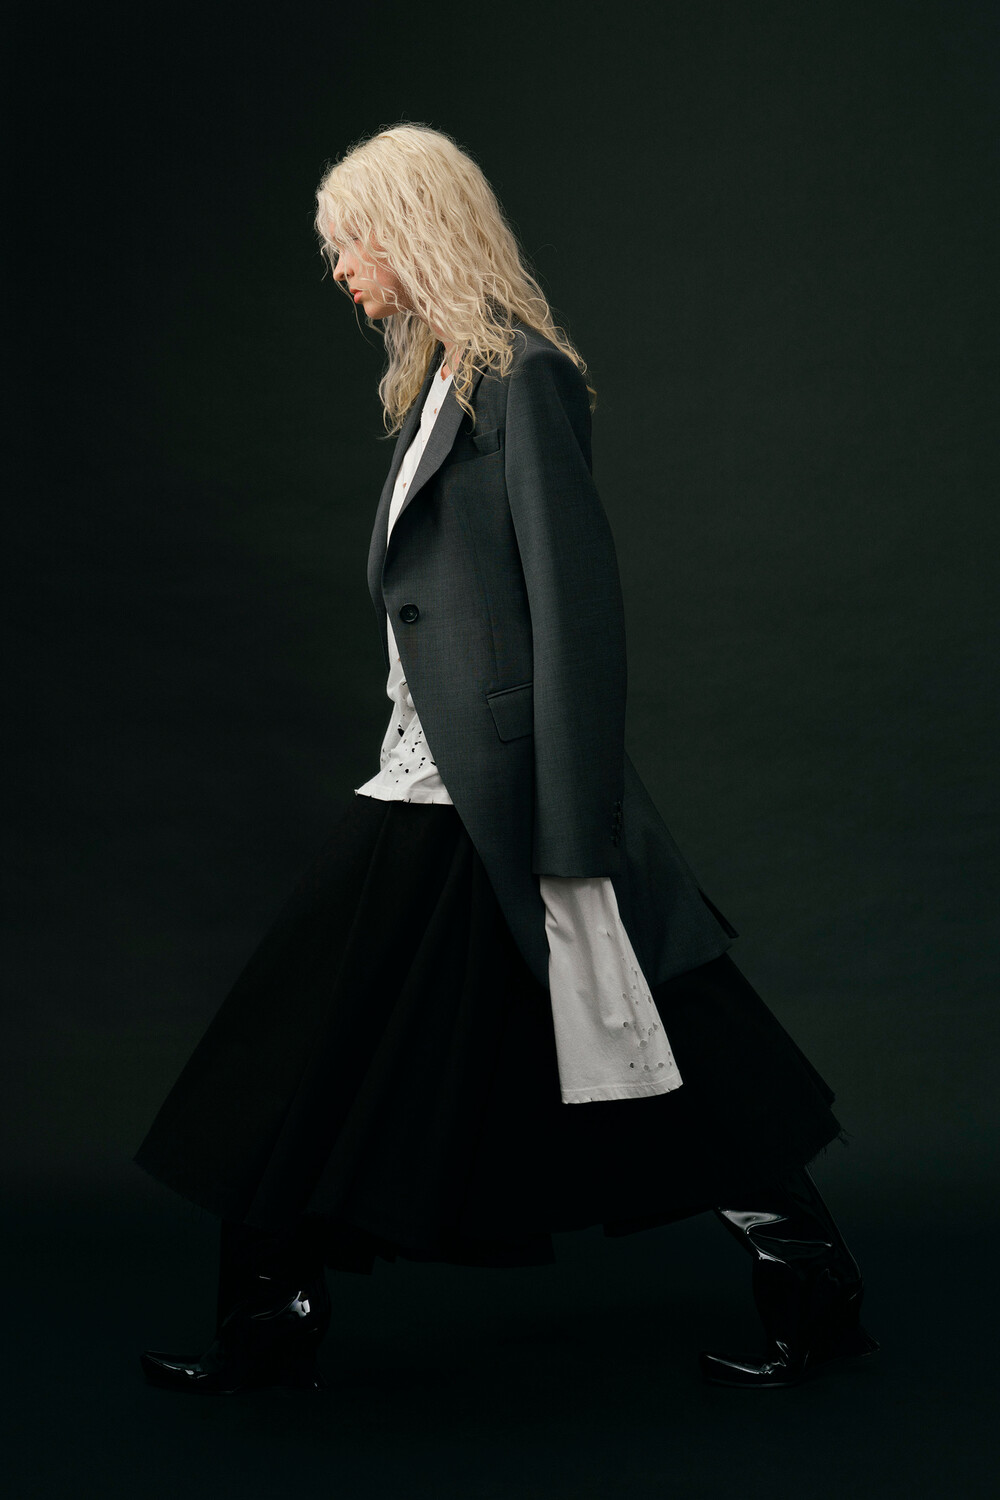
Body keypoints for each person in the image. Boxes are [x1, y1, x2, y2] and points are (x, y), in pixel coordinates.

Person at [134, 122, 878, 1394]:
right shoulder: (434, 384)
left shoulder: (522, 378)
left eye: (350, 242)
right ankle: (270, 1315)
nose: (339, 269)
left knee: (653, 1028)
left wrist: (573, 831)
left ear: (413, 230)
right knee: (329, 1032)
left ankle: (809, 1282)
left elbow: (576, 613)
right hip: (425, 771)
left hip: (505, 786)